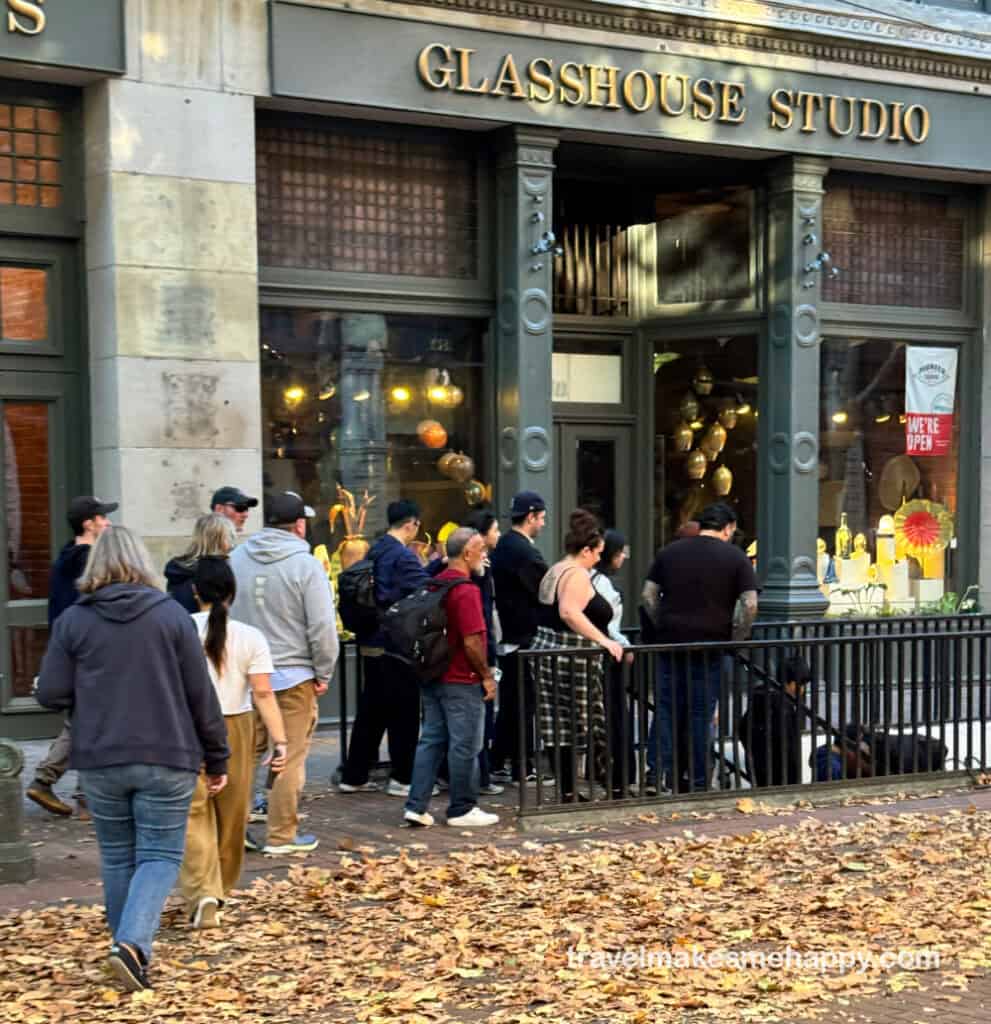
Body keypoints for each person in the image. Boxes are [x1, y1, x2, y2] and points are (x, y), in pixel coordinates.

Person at [35, 526, 229, 992]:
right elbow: (200, 694)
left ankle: (126, 945)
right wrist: (218, 756)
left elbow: (51, 691)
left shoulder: (75, 621)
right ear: (142, 561)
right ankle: (131, 945)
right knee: (161, 852)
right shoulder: (170, 616)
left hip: (101, 755)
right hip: (168, 751)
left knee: (119, 855)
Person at [179, 557, 288, 928]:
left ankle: (202, 889)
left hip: (187, 727)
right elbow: (263, 693)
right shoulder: (250, 637)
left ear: (195, 592)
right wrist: (281, 741)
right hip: (236, 727)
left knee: (193, 812)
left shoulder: (181, 630)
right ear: (233, 593)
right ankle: (221, 888)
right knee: (233, 813)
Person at [230, 491, 338, 854]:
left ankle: (233, 830)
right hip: (292, 674)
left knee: (243, 756)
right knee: (288, 755)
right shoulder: (305, 565)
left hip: (245, 676)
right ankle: (282, 834)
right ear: (300, 525)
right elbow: (322, 626)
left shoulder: (235, 559)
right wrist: (324, 671)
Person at [641, 502, 758, 794]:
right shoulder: (736, 558)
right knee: (700, 714)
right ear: (728, 527)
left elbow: (648, 596)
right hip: (711, 647)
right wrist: (735, 638)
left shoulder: (669, 552)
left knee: (666, 710)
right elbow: (750, 605)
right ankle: (697, 780)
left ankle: (657, 775)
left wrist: (662, 626)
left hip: (670, 644)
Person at [26, 495, 117, 819]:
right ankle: (48, 781)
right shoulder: (88, 563)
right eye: (102, 518)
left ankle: (82, 796)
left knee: (89, 717)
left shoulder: (67, 558)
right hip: (88, 648)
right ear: (88, 523)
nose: (107, 522)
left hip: (71, 646)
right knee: (85, 718)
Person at [403, 528, 499, 828]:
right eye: (481, 548)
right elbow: (472, 641)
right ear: (467, 553)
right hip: (462, 678)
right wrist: (486, 675)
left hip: (434, 675)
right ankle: (462, 808)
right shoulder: (466, 590)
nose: (484, 554)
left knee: (431, 740)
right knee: (465, 745)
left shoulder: (434, 584)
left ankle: (416, 805)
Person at [531, 510, 624, 802]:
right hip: (571, 656)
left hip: (549, 651)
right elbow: (569, 611)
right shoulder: (576, 574)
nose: (599, 558)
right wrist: (604, 641)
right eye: (597, 552)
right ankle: (608, 785)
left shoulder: (555, 569)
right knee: (588, 722)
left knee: (558, 725)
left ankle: (569, 790)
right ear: (585, 550)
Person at [338, 499, 428, 797]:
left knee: (372, 711)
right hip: (396, 644)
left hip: (369, 642)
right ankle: (402, 777)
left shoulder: (374, 549)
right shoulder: (404, 557)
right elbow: (424, 593)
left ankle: (354, 774)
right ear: (410, 524)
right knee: (404, 711)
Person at [489, 491, 549, 784]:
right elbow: (546, 590)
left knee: (513, 703)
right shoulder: (524, 552)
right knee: (524, 704)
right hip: (522, 635)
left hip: (509, 636)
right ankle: (521, 767)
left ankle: (498, 760)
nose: (544, 524)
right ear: (531, 517)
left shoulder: (504, 546)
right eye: (542, 518)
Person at [590, 530, 636, 798]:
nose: (624, 558)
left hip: (601, 650)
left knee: (603, 717)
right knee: (615, 715)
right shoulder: (601, 584)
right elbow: (610, 625)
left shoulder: (590, 579)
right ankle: (618, 777)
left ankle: (610, 775)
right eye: (621, 553)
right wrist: (622, 644)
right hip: (608, 653)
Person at [738, 655, 811, 788]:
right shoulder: (784, 707)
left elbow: (743, 728)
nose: (803, 690)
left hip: (759, 768)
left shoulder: (760, 698)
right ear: (794, 684)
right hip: (782, 775)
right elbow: (790, 747)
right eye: (803, 685)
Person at [164, 514, 236, 614]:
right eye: (230, 537)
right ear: (217, 541)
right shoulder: (212, 575)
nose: (232, 545)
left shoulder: (178, 570)